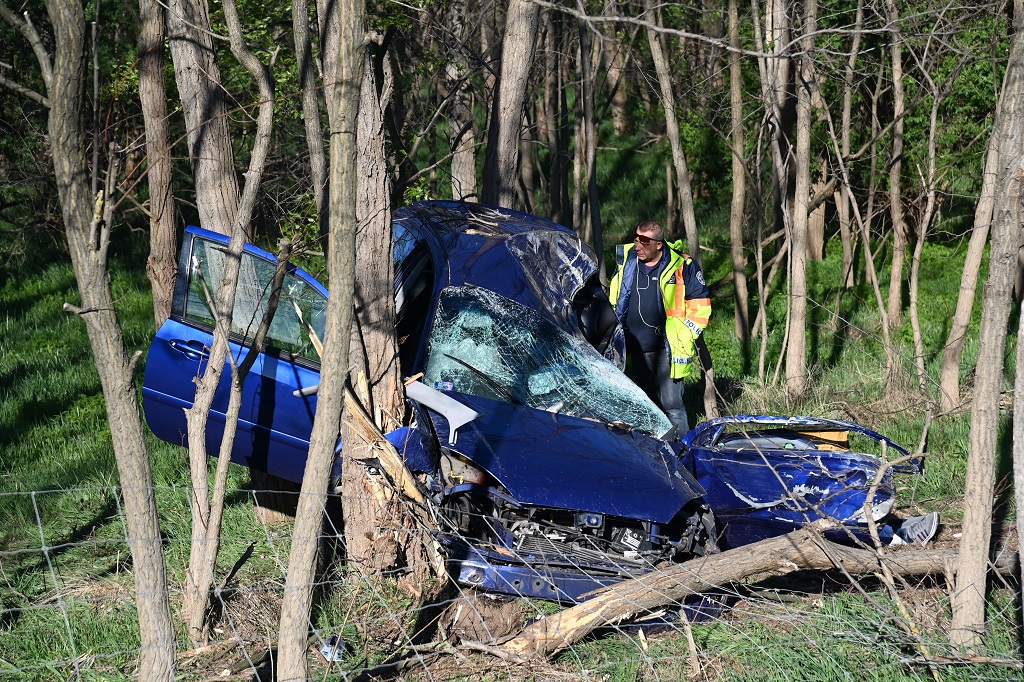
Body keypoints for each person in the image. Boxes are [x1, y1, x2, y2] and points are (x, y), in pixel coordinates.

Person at [609, 220, 711, 438]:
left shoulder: (682, 265)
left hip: (668, 349)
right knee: (647, 407)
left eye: (644, 241)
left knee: (672, 406)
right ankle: (656, 456)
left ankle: (680, 454)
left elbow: (700, 307)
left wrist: (685, 335)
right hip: (635, 348)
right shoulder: (627, 261)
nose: (637, 245)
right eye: (636, 238)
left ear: (658, 244)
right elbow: (616, 296)